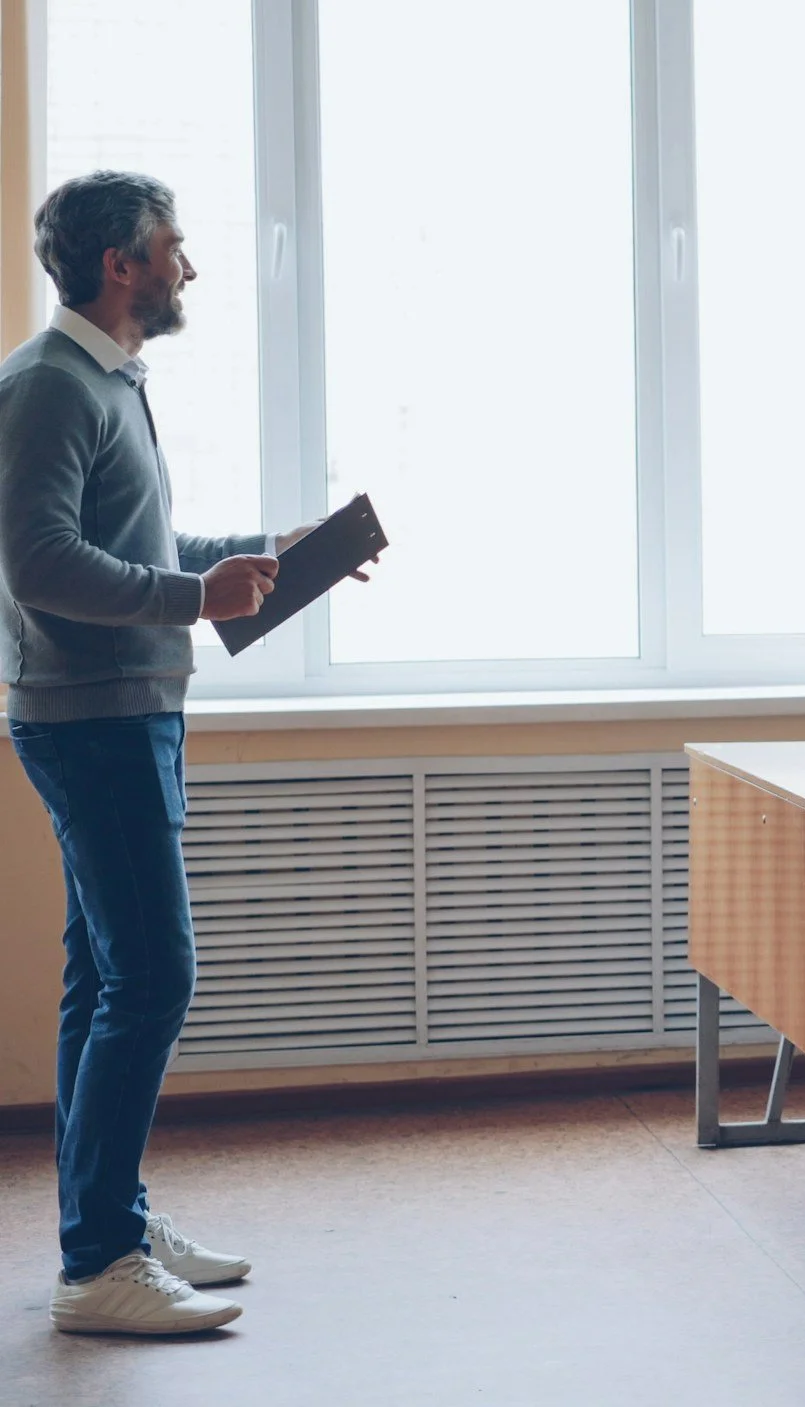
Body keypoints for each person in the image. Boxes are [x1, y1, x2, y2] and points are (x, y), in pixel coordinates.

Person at [0, 172, 372, 1335]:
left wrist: (272, 551)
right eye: (174, 245)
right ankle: (98, 1261)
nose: (188, 266)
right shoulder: (48, 387)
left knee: (103, 978)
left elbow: (147, 552)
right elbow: (41, 565)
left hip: (128, 707)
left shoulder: (103, 381)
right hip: (95, 718)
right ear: (123, 262)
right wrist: (190, 592)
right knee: (153, 977)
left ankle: (105, 1217)